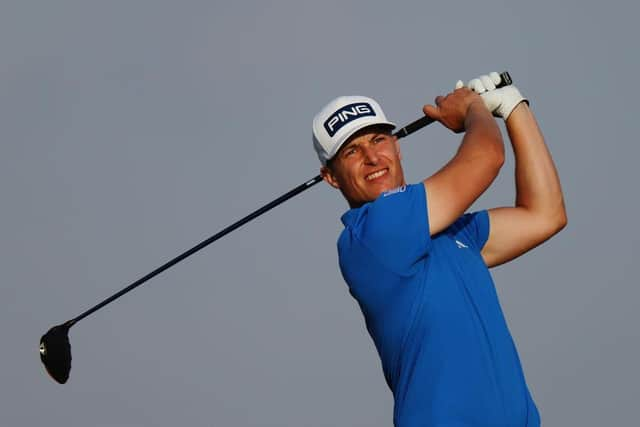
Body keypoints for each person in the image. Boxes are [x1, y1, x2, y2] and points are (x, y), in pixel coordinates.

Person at [312, 72, 567, 426]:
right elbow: (487, 156)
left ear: (397, 145)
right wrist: (473, 110)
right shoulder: (372, 232)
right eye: (352, 151)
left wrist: (514, 108)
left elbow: (545, 214)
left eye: (378, 139)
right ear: (331, 176)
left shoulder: (448, 232)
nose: (372, 157)